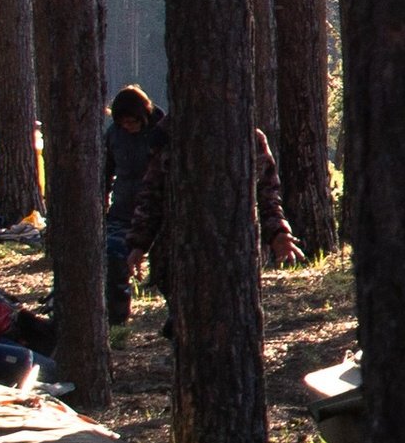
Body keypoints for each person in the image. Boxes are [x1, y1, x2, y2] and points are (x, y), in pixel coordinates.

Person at [122, 109, 301, 305]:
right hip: (181, 255)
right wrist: (138, 244)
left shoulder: (247, 136)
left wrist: (278, 232)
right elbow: (151, 196)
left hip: (235, 253)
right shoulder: (168, 137)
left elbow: (267, 192)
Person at [102, 86, 164, 330]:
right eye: (123, 122)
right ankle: (117, 318)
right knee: (114, 258)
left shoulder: (161, 132)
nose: (128, 126)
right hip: (123, 210)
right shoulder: (113, 135)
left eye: (132, 121)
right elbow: (106, 170)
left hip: (157, 211)